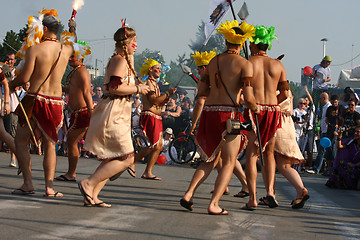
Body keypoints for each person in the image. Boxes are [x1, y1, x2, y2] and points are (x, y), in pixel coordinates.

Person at [180, 20, 256, 215]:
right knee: (229, 162)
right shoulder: (245, 64)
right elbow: (248, 98)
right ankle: (214, 203)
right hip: (230, 115)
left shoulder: (213, 62)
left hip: (210, 112)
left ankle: (189, 194)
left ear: (226, 43)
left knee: (210, 160)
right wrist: (256, 109)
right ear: (241, 44)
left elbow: (202, 90)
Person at [78, 25, 150, 207]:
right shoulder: (120, 61)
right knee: (127, 157)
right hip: (113, 111)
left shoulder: (123, 59)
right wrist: (138, 88)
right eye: (133, 42)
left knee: (114, 156)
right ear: (125, 43)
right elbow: (114, 87)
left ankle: (92, 194)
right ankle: (89, 183)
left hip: (118, 110)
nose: (136, 45)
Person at [9, 11, 74, 197]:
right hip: (55, 101)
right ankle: (49, 187)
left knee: (20, 141)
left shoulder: (36, 50)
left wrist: (10, 83)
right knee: (50, 145)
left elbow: (25, 78)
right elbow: (73, 40)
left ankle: (28, 183)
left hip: (34, 98)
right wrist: (72, 28)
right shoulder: (66, 50)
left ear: (44, 29)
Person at [244, 24, 288, 210]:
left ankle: (252, 197)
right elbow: (286, 94)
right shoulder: (278, 65)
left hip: (255, 110)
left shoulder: (248, 63)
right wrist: (273, 103)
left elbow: (243, 91)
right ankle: (270, 192)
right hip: (272, 109)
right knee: (269, 153)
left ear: (254, 44)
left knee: (252, 155)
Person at [55, 23, 93, 182]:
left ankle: (71, 174)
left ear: (82, 57)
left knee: (71, 141)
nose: (71, 58)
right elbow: (70, 90)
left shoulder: (82, 71)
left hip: (82, 113)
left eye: (74, 56)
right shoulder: (75, 71)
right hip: (77, 114)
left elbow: (86, 93)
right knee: (71, 142)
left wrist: (93, 114)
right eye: (70, 56)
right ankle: (71, 172)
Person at [128, 58, 176, 180]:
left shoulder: (155, 83)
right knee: (154, 145)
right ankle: (131, 162)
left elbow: (158, 103)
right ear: (150, 70)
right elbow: (154, 100)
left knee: (158, 146)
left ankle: (147, 172)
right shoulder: (149, 83)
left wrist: (167, 96)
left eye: (160, 68)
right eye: (157, 68)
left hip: (157, 117)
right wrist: (167, 94)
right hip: (150, 116)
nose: (159, 70)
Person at [273, 91, 310, 209]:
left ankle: (270, 193)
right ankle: (300, 189)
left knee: (270, 162)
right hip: (288, 125)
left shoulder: (273, 88)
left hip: (278, 124)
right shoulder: (288, 91)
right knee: (284, 165)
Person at [306, 92, 332, 174]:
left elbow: (328, 120)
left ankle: (318, 168)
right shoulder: (325, 107)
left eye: (320, 99)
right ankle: (321, 168)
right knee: (323, 151)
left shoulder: (329, 107)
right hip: (323, 130)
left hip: (326, 132)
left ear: (324, 98)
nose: (320, 100)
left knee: (323, 151)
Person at [3, 52, 19, 167]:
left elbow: (17, 86)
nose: (10, 61)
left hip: (12, 105)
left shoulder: (16, 72)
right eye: (8, 59)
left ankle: (14, 157)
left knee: (11, 132)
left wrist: (8, 80)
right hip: (1, 102)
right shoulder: (2, 69)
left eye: (12, 59)